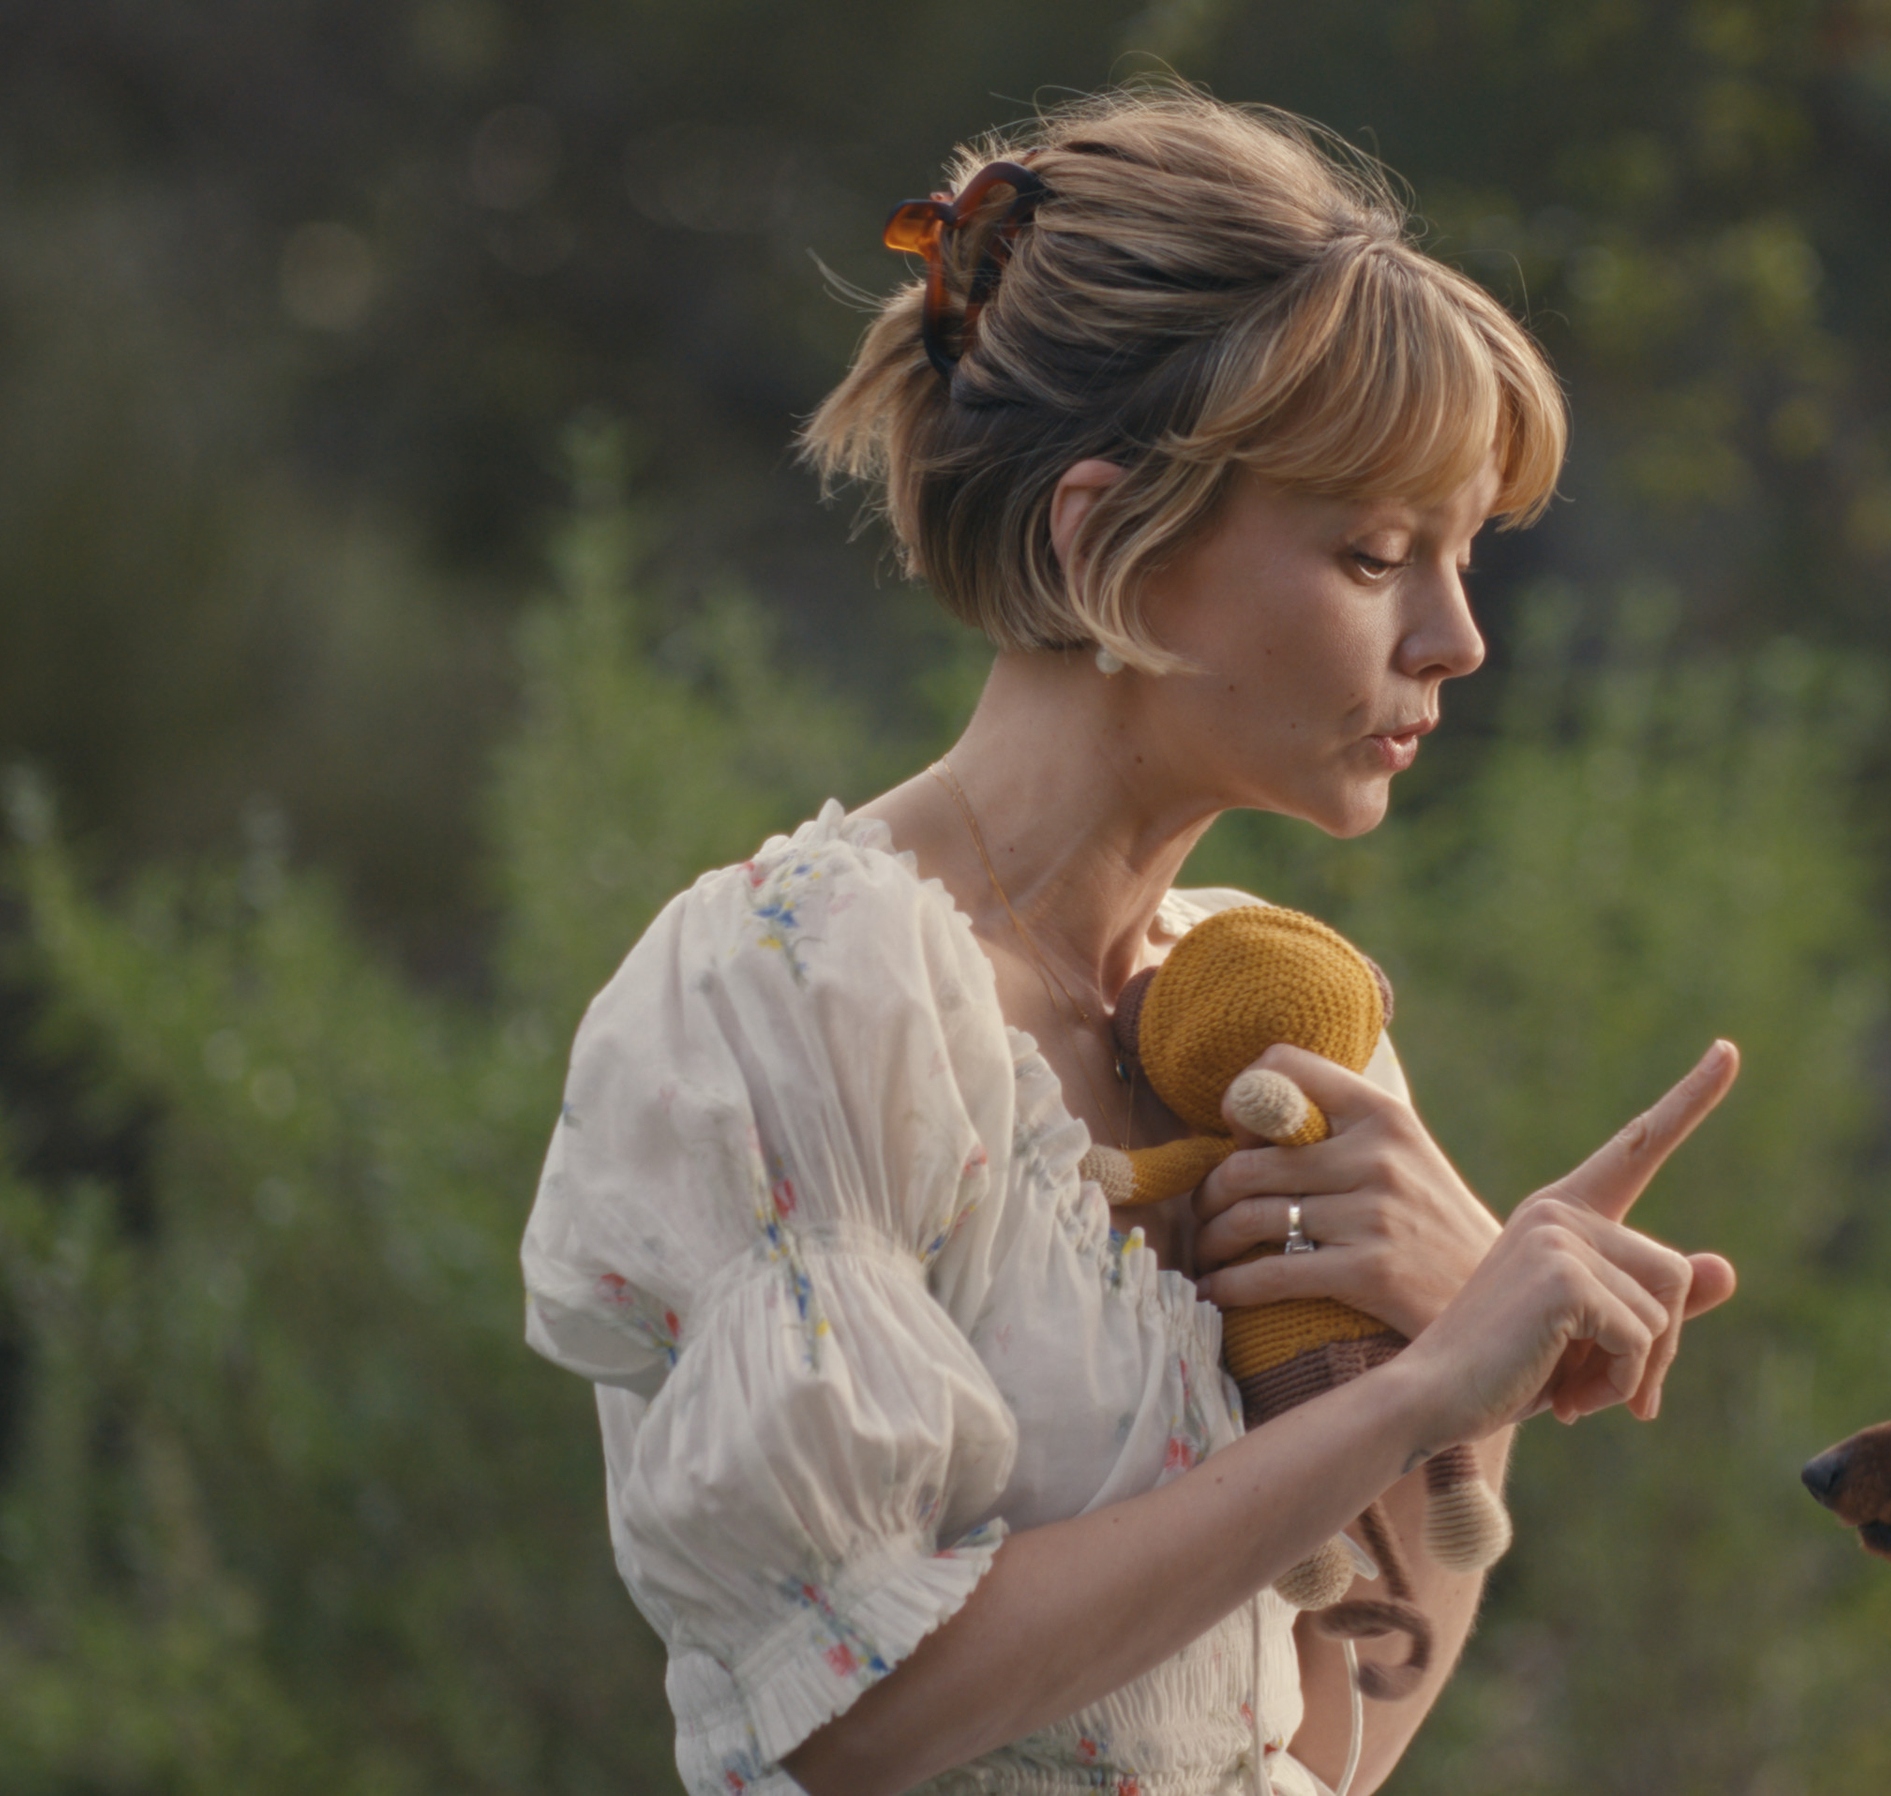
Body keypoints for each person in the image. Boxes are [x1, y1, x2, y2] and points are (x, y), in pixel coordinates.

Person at [517, 84, 1741, 1796]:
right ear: (1110, 544)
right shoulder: (799, 984)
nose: (1456, 638)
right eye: (1377, 554)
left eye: (1463, 557)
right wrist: (1414, 1400)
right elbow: (850, 1714)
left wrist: (1457, 1385)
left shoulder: (1269, 1009)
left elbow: (1317, 1744)